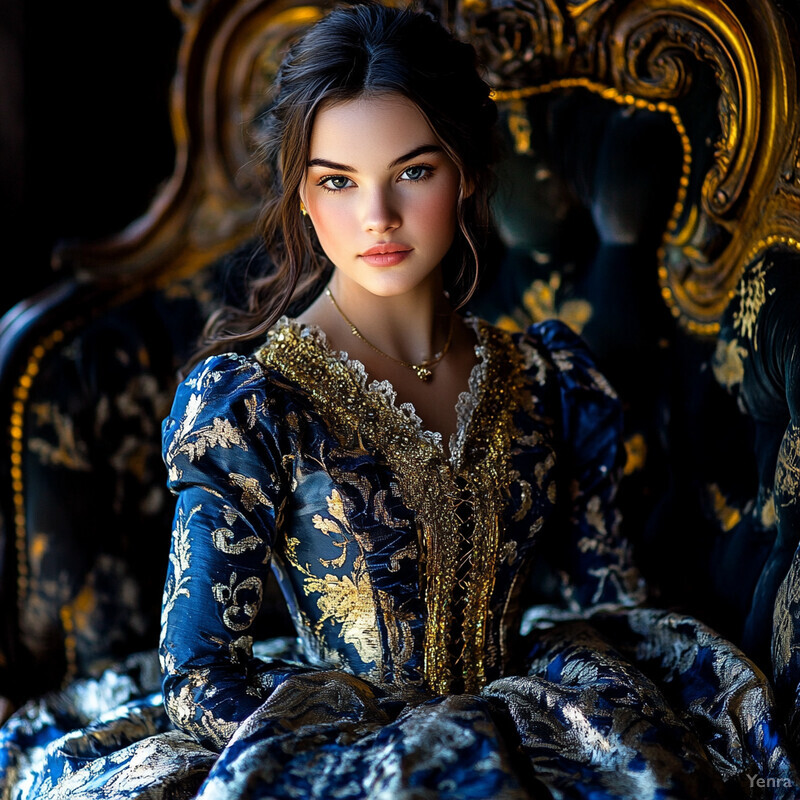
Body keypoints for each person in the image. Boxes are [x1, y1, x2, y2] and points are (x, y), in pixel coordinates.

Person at [1, 3, 798, 799]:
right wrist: (365, 754)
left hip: (531, 718)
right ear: (304, 199)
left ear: (468, 176)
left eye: (414, 171)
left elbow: (609, 597)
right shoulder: (253, 403)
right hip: (327, 746)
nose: (377, 217)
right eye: (338, 182)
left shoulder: (548, 379)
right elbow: (201, 673)